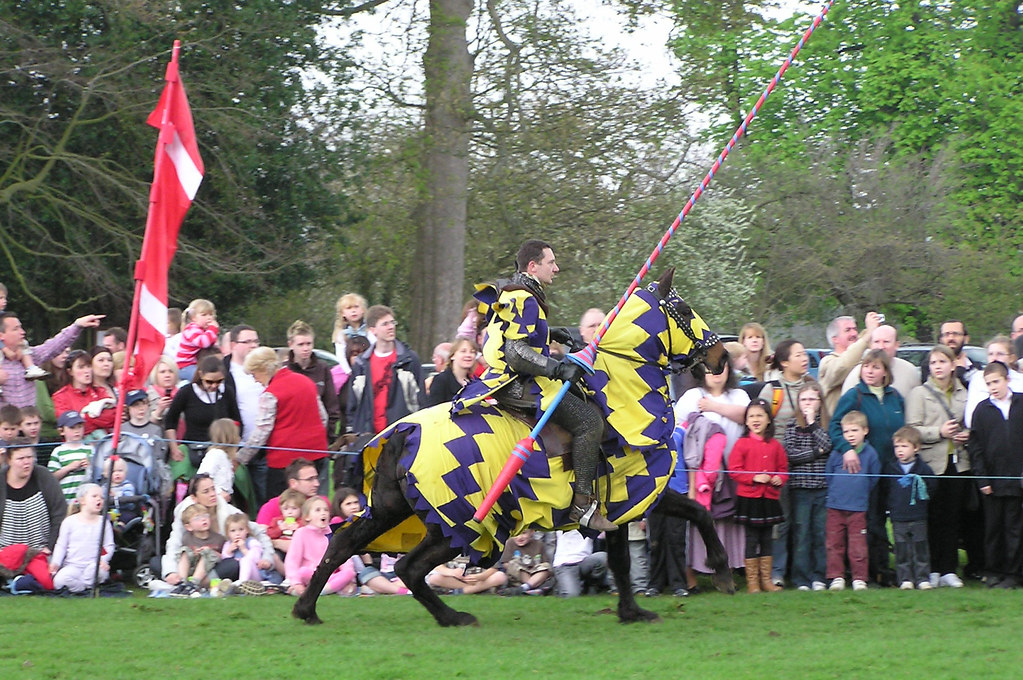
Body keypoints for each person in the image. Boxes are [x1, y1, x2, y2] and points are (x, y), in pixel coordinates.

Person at [452, 240, 613, 531]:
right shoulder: (525, 298)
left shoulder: (514, 293)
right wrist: (557, 368)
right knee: (589, 421)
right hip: (519, 383)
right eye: (551, 263)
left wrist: (551, 333)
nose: (557, 268)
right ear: (532, 266)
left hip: (506, 377)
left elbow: (515, 332)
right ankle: (582, 506)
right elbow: (515, 352)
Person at [830, 349, 905, 586]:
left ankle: (884, 569)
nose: (870, 371)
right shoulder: (855, 396)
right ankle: (865, 572)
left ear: (885, 371)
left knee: (884, 521)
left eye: (875, 367)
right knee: (868, 521)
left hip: (891, 467)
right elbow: (834, 426)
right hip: (864, 469)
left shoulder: (895, 397)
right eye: (866, 366)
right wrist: (846, 448)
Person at [674, 360, 750, 584]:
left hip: (733, 471)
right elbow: (679, 429)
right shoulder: (691, 396)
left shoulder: (739, 395)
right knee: (700, 520)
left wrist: (713, 407)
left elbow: (748, 416)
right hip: (698, 474)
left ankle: (727, 570)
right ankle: (693, 573)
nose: (716, 373)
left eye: (721, 367)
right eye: (710, 369)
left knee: (728, 522)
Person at [905, 345, 969, 588]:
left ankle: (948, 569)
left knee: (953, 518)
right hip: (931, 464)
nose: (938, 367)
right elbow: (912, 428)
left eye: (943, 361)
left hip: (958, 463)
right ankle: (930, 568)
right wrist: (939, 432)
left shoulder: (964, 392)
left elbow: (970, 421)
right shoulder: (919, 393)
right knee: (932, 517)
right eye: (934, 363)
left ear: (953, 365)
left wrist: (966, 435)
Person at [757, 339, 815, 586]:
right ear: (784, 362)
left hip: (807, 465)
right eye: (799, 355)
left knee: (804, 521)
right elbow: (757, 425)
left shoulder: (813, 387)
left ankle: (802, 573)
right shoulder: (772, 391)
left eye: (805, 354)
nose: (805, 359)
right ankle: (777, 572)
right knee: (781, 521)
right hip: (777, 466)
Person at [236, 347, 328, 499]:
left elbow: (261, 432)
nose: (255, 379)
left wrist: (240, 459)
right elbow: (323, 417)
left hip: (284, 463)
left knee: (284, 508)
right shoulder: (307, 382)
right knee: (315, 504)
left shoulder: (271, 393)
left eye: (254, 374)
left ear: (264, 369)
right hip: (316, 454)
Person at [160, 473, 275, 585]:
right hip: (191, 563)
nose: (212, 494)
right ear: (194, 498)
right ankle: (182, 581)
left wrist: (267, 558)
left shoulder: (229, 512)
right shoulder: (186, 515)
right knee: (157, 562)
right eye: (206, 491)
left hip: (218, 563)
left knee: (233, 565)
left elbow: (259, 532)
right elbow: (173, 545)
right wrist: (170, 572)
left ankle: (192, 584)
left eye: (213, 489)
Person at [968, 361, 1023, 588]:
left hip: (1017, 480)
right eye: (988, 383)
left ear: (1007, 380)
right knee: (992, 528)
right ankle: (993, 570)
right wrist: (983, 479)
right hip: (992, 481)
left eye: (996, 382)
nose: (993, 387)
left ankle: (1014, 573)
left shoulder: (1021, 403)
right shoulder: (982, 410)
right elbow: (976, 448)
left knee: (1014, 528)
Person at [729, 399, 788, 593]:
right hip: (749, 499)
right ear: (746, 421)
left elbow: (783, 469)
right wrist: (754, 477)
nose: (756, 420)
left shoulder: (775, 445)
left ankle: (766, 581)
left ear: (768, 420)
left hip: (769, 499)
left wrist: (779, 478)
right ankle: (752, 582)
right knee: (751, 538)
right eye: (751, 416)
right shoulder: (741, 444)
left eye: (760, 415)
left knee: (767, 538)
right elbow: (734, 470)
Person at [782, 382, 831, 591]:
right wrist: (816, 452)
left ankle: (820, 576)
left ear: (820, 402)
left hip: (822, 487)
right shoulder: (792, 425)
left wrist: (813, 425)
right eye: (804, 399)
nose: (807, 403)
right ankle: (801, 578)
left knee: (821, 533)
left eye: (812, 399)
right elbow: (791, 455)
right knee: (802, 533)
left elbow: (828, 444)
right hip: (800, 488)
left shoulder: (826, 425)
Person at [0, 311, 103, 410]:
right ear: (1, 335)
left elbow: (54, 346)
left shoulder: (30, 356)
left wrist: (77, 326)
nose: (22, 332)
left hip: (29, 424)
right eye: (15, 329)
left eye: (21, 327)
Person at [347, 305, 424, 437]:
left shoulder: (409, 359)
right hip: (369, 435)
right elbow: (352, 404)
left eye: (392, 322)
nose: (391, 327)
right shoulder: (361, 364)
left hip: (402, 435)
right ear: (373, 330)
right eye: (385, 324)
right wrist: (353, 431)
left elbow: (421, 400)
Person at [825, 411, 880, 591]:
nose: (850, 435)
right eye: (846, 432)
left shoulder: (871, 454)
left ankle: (859, 578)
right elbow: (829, 475)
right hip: (835, 506)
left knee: (858, 544)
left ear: (865, 431)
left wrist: (860, 492)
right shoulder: (837, 453)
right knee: (834, 543)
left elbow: (874, 477)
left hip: (858, 508)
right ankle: (836, 577)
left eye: (854, 430)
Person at [163, 355, 241, 472]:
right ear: (200, 375)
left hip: (223, 452)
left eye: (219, 381)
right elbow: (170, 421)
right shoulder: (186, 392)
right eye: (209, 382)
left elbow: (237, 422)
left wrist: (234, 450)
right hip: (193, 451)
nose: (214, 385)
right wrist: (174, 448)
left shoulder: (227, 392)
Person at [885, 426, 936, 590]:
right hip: (898, 517)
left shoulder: (923, 470)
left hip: (918, 516)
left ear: (916, 448)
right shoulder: (890, 469)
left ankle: (922, 578)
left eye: (904, 446)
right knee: (901, 548)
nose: (900, 450)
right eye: (897, 447)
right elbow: (885, 491)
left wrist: (923, 503)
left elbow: (932, 487)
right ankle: (905, 578)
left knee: (920, 547)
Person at [285, 496, 359, 597]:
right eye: (318, 510)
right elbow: (292, 561)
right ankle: (329, 589)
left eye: (326, 510)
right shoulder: (301, 533)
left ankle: (321, 591)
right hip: (311, 574)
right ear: (307, 517)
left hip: (330, 576)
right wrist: (296, 583)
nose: (323, 513)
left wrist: (351, 580)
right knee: (302, 572)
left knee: (349, 572)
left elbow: (345, 560)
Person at [48, 483, 114, 592]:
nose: (99, 499)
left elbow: (109, 545)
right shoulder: (69, 522)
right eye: (94, 496)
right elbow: (61, 545)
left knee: (99, 572)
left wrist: (103, 560)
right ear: (82, 500)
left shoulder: (104, 523)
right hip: (73, 566)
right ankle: (84, 587)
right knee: (59, 581)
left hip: (94, 565)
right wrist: (56, 563)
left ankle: (82, 586)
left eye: (101, 497)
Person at [284, 320, 340, 444]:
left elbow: (331, 405)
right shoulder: (283, 370)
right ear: (291, 344)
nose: (306, 348)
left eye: (309, 343)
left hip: (318, 436)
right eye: (301, 344)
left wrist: (328, 436)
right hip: (291, 438)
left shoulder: (323, 368)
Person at [817, 312, 883, 416]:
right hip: (838, 428)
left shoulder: (862, 358)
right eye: (847, 330)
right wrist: (869, 333)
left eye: (855, 329)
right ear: (835, 339)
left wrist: (874, 330)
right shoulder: (827, 362)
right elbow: (844, 366)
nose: (854, 334)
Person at [840, 325, 921, 400]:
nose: (881, 347)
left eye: (886, 342)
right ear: (870, 345)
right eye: (876, 342)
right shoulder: (856, 374)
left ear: (897, 345)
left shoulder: (910, 371)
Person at [51, 350, 115, 436]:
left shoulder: (100, 391)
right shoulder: (60, 396)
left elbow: (112, 418)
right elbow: (69, 425)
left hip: (103, 445)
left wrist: (85, 417)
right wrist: (96, 418)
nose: (87, 371)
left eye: (88, 366)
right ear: (70, 371)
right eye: (81, 367)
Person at [963, 336, 1023, 427]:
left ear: (1011, 358)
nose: (994, 358)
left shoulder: (1020, 380)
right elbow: (970, 418)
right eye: (990, 354)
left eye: (1000, 354)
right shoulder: (978, 379)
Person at [175, 503, 226, 590]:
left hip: (210, 571)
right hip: (192, 569)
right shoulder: (187, 538)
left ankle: (193, 584)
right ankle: (182, 583)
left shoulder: (219, 538)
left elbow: (224, 557)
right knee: (185, 551)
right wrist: (195, 552)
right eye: (197, 518)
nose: (203, 519)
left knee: (207, 552)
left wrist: (211, 552)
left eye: (205, 516)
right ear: (189, 527)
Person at [47, 410, 94, 503]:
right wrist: (69, 468)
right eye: (72, 427)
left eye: (80, 427)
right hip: (66, 500)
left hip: (86, 500)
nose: (77, 430)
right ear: (61, 431)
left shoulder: (90, 449)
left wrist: (90, 466)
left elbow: (97, 474)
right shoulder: (58, 451)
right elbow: (52, 477)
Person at [221, 512, 279, 584]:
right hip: (237, 572)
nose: (237, 533)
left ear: (247, 530)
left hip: (255, 572)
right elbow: (224, 559)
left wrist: (243, 549)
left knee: (245, 560)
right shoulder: (228, 544)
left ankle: (242, 583)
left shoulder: (251, 541)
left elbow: (256, 558)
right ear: (228, 533)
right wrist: (229, 551)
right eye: (233, 531)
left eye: (241, 529)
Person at [921, 320, 983, 387]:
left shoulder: (975, 368)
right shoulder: (929, 365)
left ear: (966, 339)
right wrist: (960, 370)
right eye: (946, 334)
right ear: (941, 339)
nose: (951, 338)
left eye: (956, 334)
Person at [551, 529, 608, 597]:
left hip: (585, 561)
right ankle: (560, 586)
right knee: (572, 595)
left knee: (603, 557)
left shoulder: (591, 523)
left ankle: (591, 585)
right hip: (565, 565)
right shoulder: (562, 522)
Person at [196, 418, 240, 502]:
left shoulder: (227, 457)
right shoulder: (216, 454)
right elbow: (202, 478)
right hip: (214, 501)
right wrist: (218, 492)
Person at [498, 529, 553, 596]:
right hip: (519, 576)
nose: (519, 537)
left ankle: (524, 588)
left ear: (532, 532)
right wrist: (523, 570)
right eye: (516, 533)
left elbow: (544, 563)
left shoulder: (538, 544)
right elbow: (505, 563)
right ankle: (532, 588)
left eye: (524, 533)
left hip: (534, 573)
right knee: (513, 564)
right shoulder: (510, 543)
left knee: (546, 566)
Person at [427, 337, 479, 407]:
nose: (468, 355)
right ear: (452, 356)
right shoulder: (441, 380)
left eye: (472, 352)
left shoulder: (474, 384)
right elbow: (433, 410)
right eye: (463, 351)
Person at [176, 299, 219, 381]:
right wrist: (213, 329)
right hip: (185, 366)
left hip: (196, 364)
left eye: (211, 314)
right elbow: (204, 343)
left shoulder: (204, 331)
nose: (209, 318)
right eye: (204, 315)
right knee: (201, 379)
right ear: (194, 318)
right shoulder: (192, 329)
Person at [332, 293, 372, 373]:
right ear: (343, 313)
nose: (353, 310)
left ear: (363, 310)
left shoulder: (369, 330)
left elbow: (375, 347)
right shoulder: (341, 334)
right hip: (350, 371)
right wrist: (348, 372)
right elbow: (341, 356)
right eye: (349, 308)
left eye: (356, 307)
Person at [146, 356, 180, 427]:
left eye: (171, 371)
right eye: (162, 372)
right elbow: (147, 426)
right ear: (155, 375)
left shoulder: (183, 393)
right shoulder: (147, 396)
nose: (167, 375)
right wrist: (159, 410)